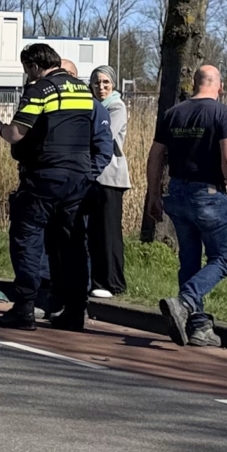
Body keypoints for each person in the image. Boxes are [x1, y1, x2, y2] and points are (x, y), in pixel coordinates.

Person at [0, 43, 113, 330]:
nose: (28, 76)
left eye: (27, 70)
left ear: (34, 66)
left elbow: (17, 134)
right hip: (79, 178)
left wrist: (0, 128)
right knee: (72, 245)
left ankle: (24, 307)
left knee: (27, 239)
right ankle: (74, 311)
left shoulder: (39, 90)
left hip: (45, 177)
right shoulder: (84, 91)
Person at [150, 63, 227, 347]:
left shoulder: (172, 114)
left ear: (194, 84)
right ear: (220, 85)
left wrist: (153, 194)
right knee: (222, 259)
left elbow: (155, 157)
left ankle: (199, 326)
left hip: (177, 192)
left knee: (189, 259)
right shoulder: (224, 114)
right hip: (209, 193)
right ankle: (186, 302)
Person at [83, 64, 130, 298]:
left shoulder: (116, 106)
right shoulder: (93, 106)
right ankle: (97, 279)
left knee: (108, 231)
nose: (100, 88)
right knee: (94, 231)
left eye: (105, 83)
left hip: (110, 176)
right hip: (94, 176)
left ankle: (114, 282)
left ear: (113, 85)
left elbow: (103, 136)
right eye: (96, 83)